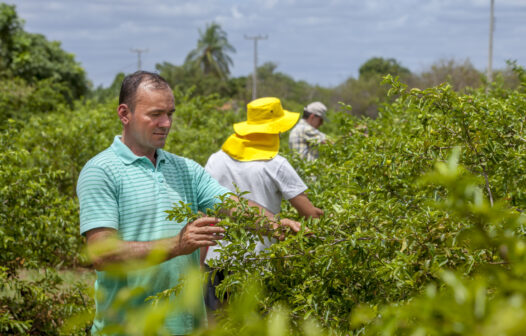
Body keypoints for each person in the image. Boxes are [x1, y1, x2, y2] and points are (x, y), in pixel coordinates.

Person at [76, 72, 302, 335]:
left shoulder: (185, 169)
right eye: (155, 114)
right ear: (124, 114)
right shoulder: (102, 171)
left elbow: (233, 204)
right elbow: (102, 254)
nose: (166, 123)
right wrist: (177, 245)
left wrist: (276, 224)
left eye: (170, 113)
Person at [202, 97, 323, 311]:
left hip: (216, 258)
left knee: (217, 325)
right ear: (275, 129)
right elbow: (309, 214)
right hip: (258, 262)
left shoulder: (216, 159)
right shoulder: (276, 164)